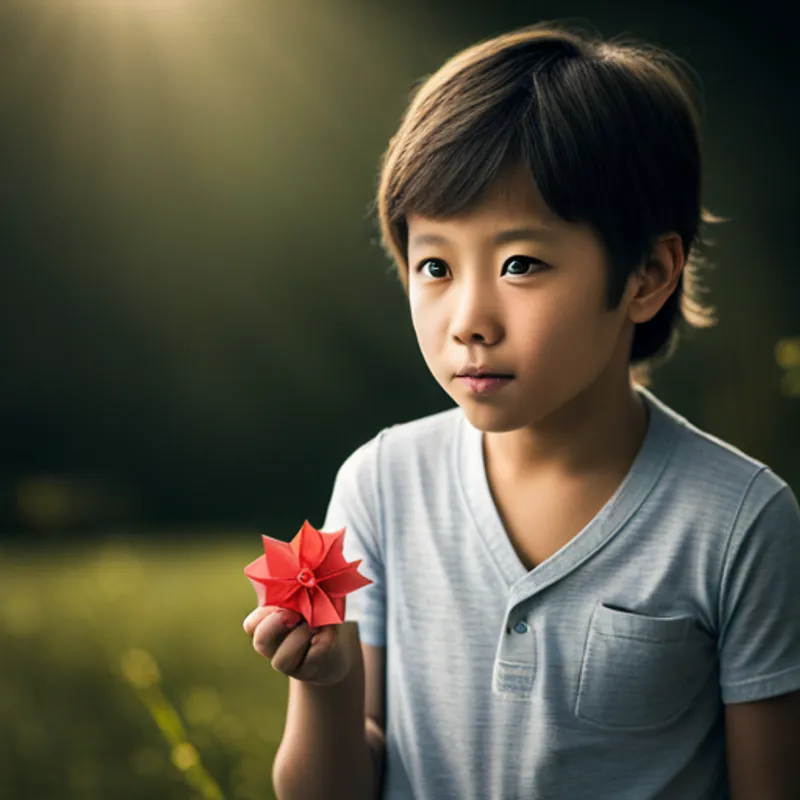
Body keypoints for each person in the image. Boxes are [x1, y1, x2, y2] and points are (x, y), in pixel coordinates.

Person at [243, 20, 800, 800]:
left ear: (647, 274)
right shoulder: (379, 486)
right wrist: (328, 681)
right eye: (434, 263)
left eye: (521, 264)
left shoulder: (740, 522)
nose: (469, 317)